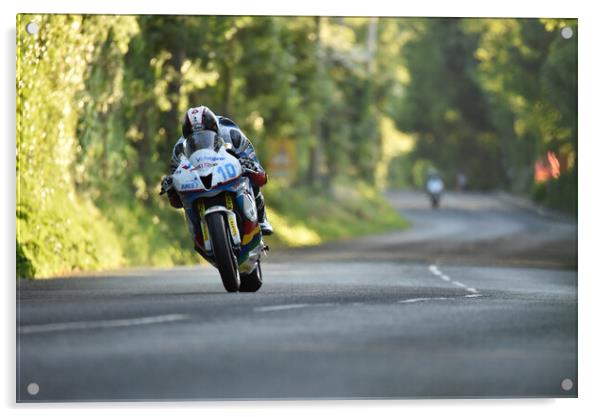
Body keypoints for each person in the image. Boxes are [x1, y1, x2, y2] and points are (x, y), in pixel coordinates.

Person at [162, 106, 273, 252]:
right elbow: (176, 172)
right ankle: (199, 234)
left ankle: (261, 218)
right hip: (200, 177)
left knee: (251, 175)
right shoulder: (179, 147)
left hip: (226, 168)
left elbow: (254, 163)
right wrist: (170, 184)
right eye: (194, 135)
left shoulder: (231, 133)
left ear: (214, 127)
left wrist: (249, 164)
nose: (200, 137)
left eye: (205, 132)